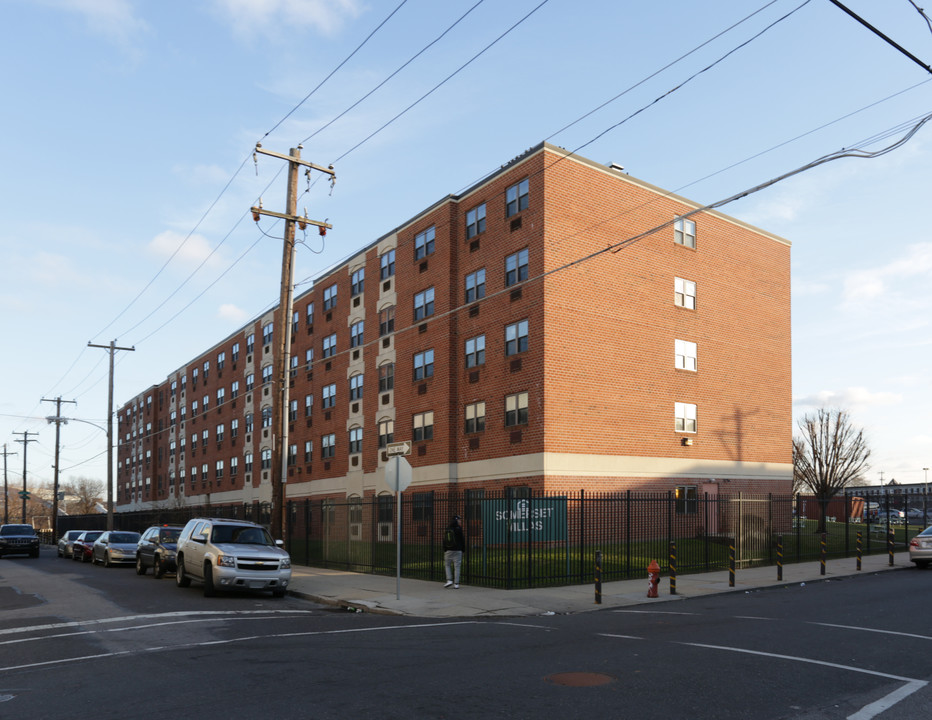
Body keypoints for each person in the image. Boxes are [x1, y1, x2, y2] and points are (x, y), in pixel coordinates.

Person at [442, 515, 465, 589]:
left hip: (449, 550)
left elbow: (444, 540)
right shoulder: (459, 529)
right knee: (457, 566)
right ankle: (456, 584)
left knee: (447, 565)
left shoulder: (448, 528)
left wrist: (445, 549)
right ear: (457, 520)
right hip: (458, 550)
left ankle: (449, 580)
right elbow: (462, 540)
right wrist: (463, 550)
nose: (460, 521)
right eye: (459, 520)